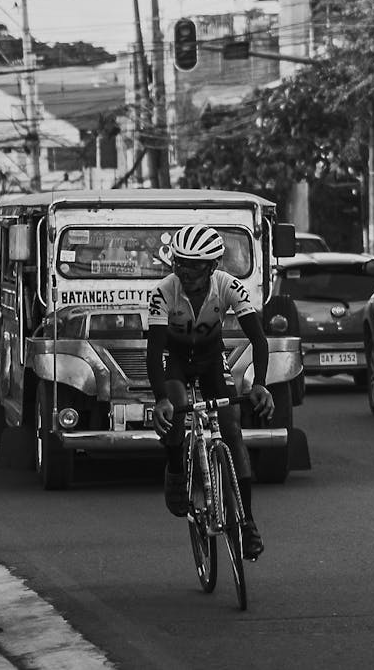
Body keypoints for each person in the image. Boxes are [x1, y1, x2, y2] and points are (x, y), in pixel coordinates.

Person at [146, 223, 275, 562]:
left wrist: (259, 383)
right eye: (180, 263)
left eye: (194, 265)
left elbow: (259, 340)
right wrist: (160, 399)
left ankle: (246, 522)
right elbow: (153, 351)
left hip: (209, 358)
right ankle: (175, 468)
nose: (185, 271)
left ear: (212, 266)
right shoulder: (164, 291)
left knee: (232, 428)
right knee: (175, 407)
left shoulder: (228, 287)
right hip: (174, 359)